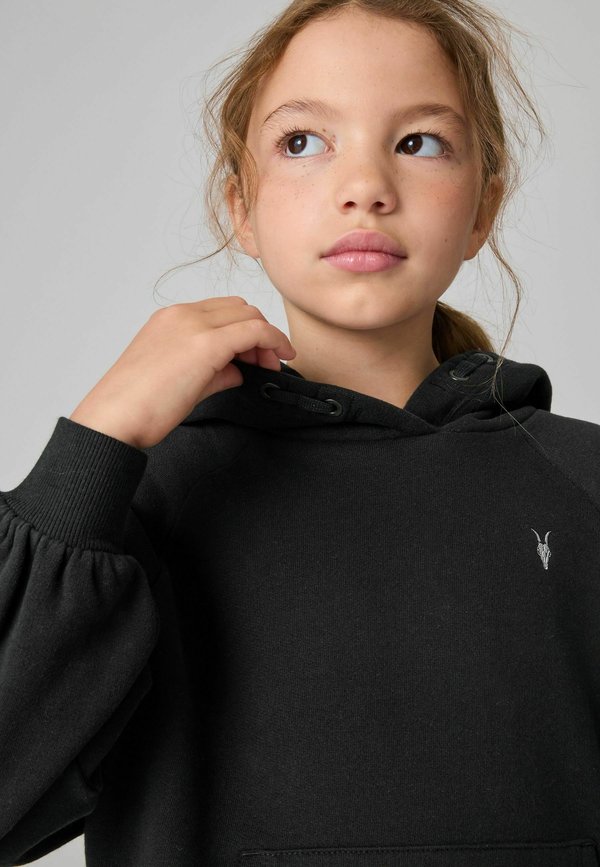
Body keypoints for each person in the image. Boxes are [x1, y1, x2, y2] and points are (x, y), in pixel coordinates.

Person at [1, 1, 599, 865]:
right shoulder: (144, 503)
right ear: (239, 207)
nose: (365, 186)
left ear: (482, 210)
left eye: (419, 141)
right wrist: (97, 439)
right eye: (303, 141)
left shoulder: (581, 484)